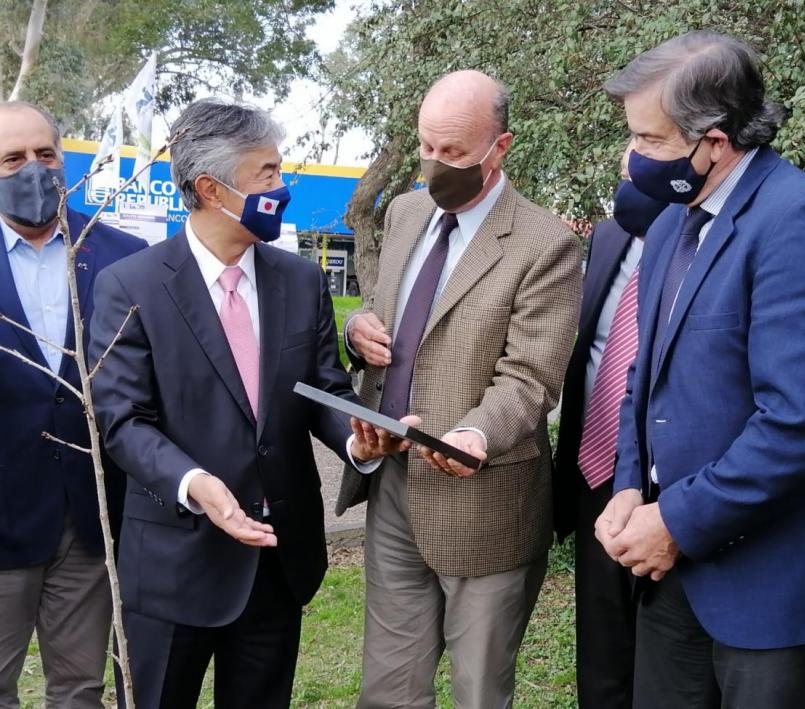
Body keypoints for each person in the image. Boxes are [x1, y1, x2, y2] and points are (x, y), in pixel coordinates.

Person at [594, 31, 805, 708]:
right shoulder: (672, 221)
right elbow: (645, 373)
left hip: (772, 585)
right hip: (669, 574)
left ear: (715, 141)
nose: (631, 157)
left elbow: (800, 423)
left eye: (649, 140)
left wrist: (673, 522)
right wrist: (629, 487)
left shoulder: (802, 222)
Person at [89, 98, 402, 709]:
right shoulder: (129, 286)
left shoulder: (301, 280)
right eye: (268, 174)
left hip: (276, 563)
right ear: (211, 188)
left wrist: (356, 439)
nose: (282, 189)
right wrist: (196, 483)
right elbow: (123, 422)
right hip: (173, 564)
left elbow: (324, 391)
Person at [338, 70, 582, 708]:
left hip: (484, 503)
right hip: (392, 487)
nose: (435, 166)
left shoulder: (545, 244)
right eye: (427, 148)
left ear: (499, 147)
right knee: (388, 689)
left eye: (454, 153)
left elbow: (530, 377)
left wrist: (475, 433)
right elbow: (392, 312)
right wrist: (361, 327)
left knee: (478, 693)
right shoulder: (406, 211)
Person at [0, 101, 146, 709]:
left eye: (45, 154)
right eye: (12, 159)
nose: (33, 169)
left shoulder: (122, 255)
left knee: (81, 690)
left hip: (91, 522)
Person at [553, 144, 666, 707]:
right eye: (622, 175)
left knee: (666, 659)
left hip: (668, 484)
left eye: (637, 175)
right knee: (601, 650)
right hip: (595, 471)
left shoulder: (706, 245)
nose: (627, 187)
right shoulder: (607, 239)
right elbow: (591, 350)